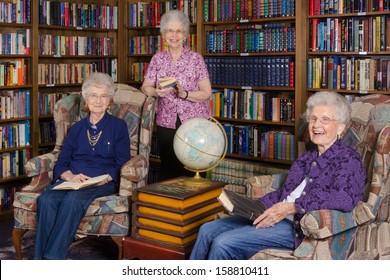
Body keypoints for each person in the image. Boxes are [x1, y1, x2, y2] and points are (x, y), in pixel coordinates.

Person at [190, 91, 366, 260]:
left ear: (341, 127)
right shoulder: (307, 157)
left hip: (297, 226)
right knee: (207, 229)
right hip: (277, 214)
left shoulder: (349, 160)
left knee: (224, 243)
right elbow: (285, 193)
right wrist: (251, 206)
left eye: (325, 120)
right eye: (313, 119)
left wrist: (292, 207)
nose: (316, 125)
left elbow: (345, 198)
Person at [34, 72, 131, 260]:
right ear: (86, 98)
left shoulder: (119, 126)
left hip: (101, 181)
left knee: (73, 200)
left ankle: (51, 258)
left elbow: (122, 161)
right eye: (93, 95)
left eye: (103, 96)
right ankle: (39, 259)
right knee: (46, 199)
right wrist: (69, 176)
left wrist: (104, 178)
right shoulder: (77, 128)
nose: (98, 101)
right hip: (73, 180)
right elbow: (62, 161)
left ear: (110, 99)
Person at [141, 10, 212, 180]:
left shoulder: (196, 59)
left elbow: (207, 93)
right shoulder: (157, 59)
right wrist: (156, 92)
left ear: (185, 35)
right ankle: (171, 205)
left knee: (193, 168)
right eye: (170, 31)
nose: (174, 35)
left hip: (194, 122)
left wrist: (184, 93)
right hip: (167, 121)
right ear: (164, 34)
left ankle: (194, 205)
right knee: (169, 167)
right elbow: (145, 87)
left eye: (179, 31)